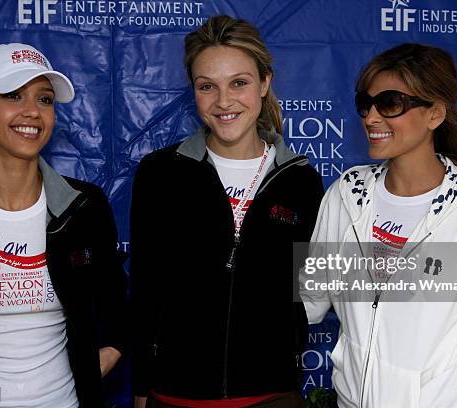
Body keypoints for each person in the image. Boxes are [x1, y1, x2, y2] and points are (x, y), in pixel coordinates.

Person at [300, 43, 457, 407]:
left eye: (390, 103)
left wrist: (428, 399)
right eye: (366, 103)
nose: (371, 117)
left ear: (435, 114)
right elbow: (310, 301)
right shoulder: (345, 195)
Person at [130, 15, 324, 408]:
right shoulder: (159, 173)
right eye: (207, 86)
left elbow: (310, 291)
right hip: (174, 396)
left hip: (273, 396)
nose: (224, 101)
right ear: (194, 92)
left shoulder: (300, 180)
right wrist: (140, 390)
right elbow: (145, 291)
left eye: (239, 82)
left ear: (265, 82)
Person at [0, 43, 127, 407]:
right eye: (13, 95)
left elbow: (116, 305)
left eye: (45, 99)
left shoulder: (84, 206)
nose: (32, 112)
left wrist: (104, 354)